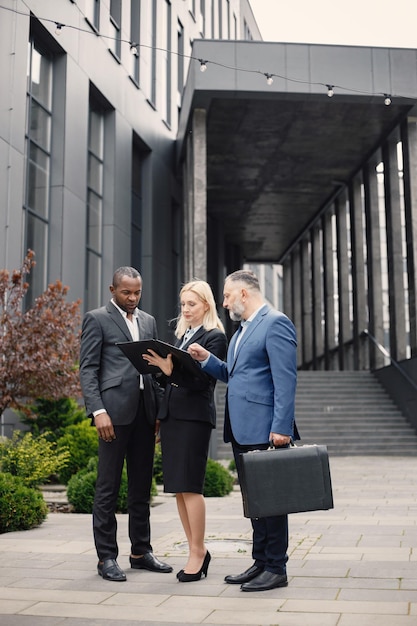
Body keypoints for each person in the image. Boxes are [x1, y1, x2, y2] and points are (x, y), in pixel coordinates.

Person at [188, 269, 298, 592]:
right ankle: (260, 561)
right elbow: (233, 374)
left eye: (226, 295)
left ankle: (276, 567)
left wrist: (281, 427)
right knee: (254, 502)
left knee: (272, 502)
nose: (223, 303)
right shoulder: (241, 332)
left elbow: (286, 381)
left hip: (265, 431)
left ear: (244, 294)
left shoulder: (275, 323)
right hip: (241, 429)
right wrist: (208, 359)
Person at [79, 266, 172, 582]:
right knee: (108, 487)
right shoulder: (97, 319)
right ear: (112, 290)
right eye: (126, 292)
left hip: (145, 414)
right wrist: (98, 411)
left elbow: (155, 370)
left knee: (141, 487)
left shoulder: (148, 321)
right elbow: (88, 369)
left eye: (137, 292)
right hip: (113, 416)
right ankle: (106, 557)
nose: (132, 298)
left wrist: (159, 410)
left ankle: (140, 552)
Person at [142, 280, 227, 583]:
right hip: (173, 418)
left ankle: (199, 551)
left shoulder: (214, 337)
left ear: (206, 304)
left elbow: (203, 383)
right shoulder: (183, 338)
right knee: (179, 487)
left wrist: (170, 371)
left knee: (191, 486)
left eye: (192, 304)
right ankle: (194, 548)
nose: (186, 309)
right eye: (183, 304)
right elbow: (175, 379)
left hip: (194, 419)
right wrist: (159, 370)